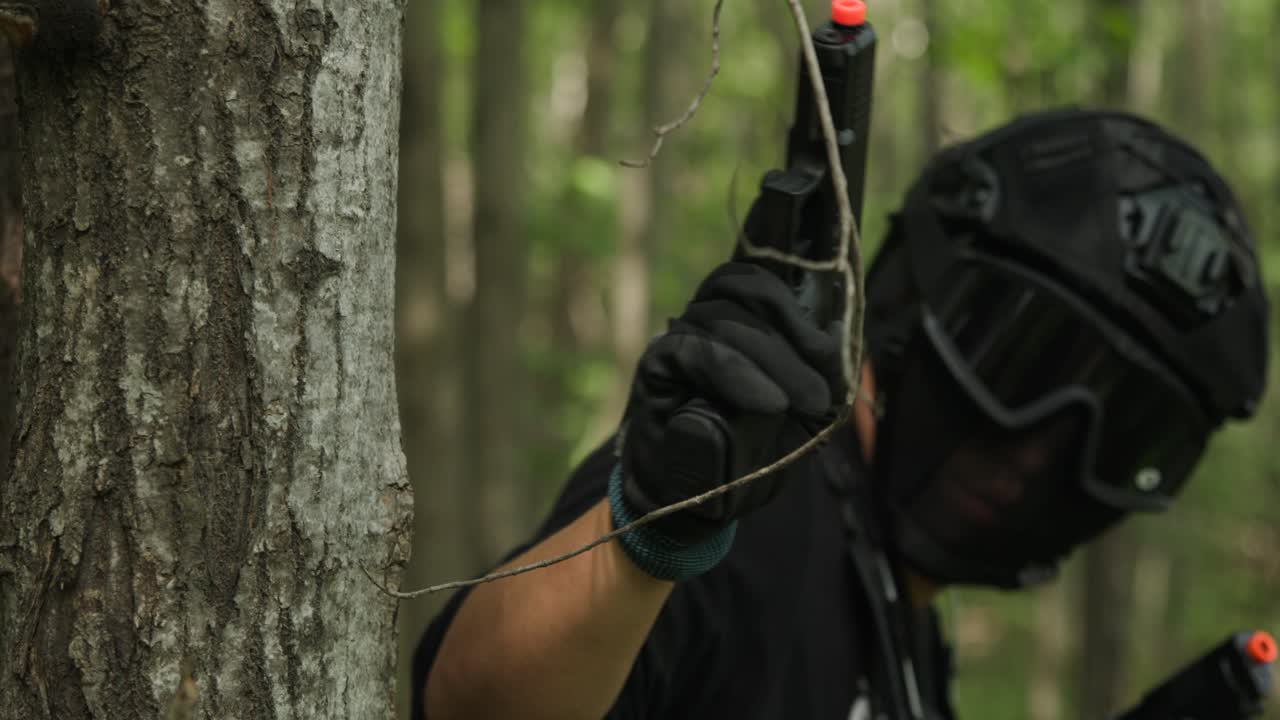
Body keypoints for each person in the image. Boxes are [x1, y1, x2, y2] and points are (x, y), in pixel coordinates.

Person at [411, 108, 1270, 719]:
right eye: (1022, 362)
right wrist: (663, 527)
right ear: (909, 298)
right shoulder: (756, 497)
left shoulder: (904, 623)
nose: (1035, 456)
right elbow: (470, 706)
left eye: (1120, 437)